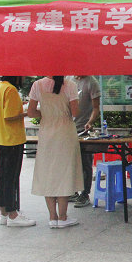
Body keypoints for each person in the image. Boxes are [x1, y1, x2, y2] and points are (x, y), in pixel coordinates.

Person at [27, 76, 83, 228]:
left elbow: (31, 112)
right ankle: (63, 217)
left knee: (48, 173)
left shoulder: (37, 85)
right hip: (65, 132)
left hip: (47, 133)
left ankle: (52, 217)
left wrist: (46, 113)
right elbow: (75, 111)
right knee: (64, 173)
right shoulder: (70, 85)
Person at [0, 76, 35, 227]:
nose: (23, 78)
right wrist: (29, 112)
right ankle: (13, 214)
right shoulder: (11, 90)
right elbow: (10, 116)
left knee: (1, 177)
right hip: (12, 139)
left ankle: (4, 213)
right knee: (11, 178)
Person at [68, 75, 101, 208]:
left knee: (85, 163)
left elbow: (96, 108)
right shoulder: (69, 80)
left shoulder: (91, 82)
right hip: (69, 128)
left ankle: (85, 193)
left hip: (83, 129)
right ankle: (73, 192)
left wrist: (90, 122)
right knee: (70, 163)